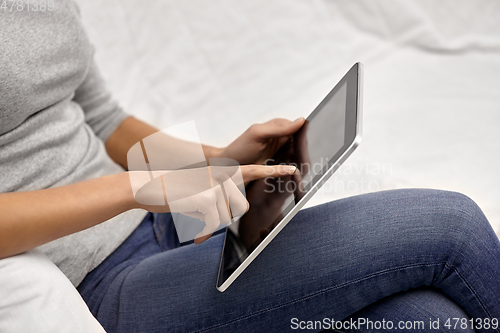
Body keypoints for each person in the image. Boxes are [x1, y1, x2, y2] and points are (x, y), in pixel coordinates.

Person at [1, 1, 499, 332]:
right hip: (89, 284)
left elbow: (104, 118)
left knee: (434, 319)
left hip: (169, 223)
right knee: (451, 228)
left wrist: (219, 160)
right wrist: (143, 187)